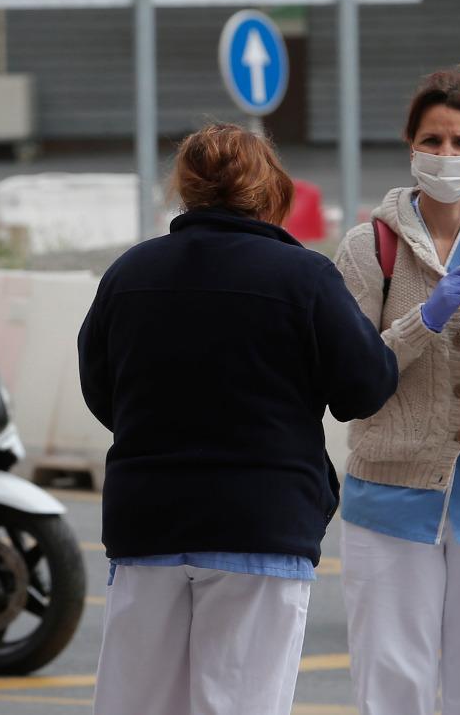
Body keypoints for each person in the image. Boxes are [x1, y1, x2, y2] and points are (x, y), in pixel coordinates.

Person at [78, 123, 398, 715]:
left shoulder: (130, 273)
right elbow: (365, 387)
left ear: (186, 187)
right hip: (262, 526)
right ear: (269, 187)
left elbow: (101, 392)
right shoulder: (303, 277)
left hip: (147, 523)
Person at [332, 64, 460, 715]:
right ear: (410, 146)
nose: (446, 155)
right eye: (432, 140)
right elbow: (350, 378)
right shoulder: (370, 248)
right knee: (392, 685)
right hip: (391, 496)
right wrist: (427, 318)